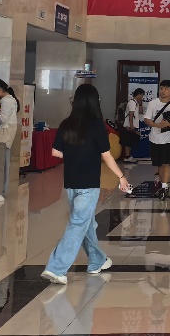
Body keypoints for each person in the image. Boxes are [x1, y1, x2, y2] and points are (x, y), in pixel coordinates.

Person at [41, 84, 130, 285]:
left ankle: (97, 260)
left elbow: (56, 153)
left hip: (71, 183)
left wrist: (74, 153)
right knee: (78, 224)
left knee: (86, 223)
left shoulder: (66, 124)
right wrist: (121, 176)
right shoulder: (97, 125)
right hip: (89, 184)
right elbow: (106, 155)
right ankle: (56, 268)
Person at [143, 80, 170, 200]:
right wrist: (157, 125)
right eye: (161, 88)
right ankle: (162, 185)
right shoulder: (153, 103)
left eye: (166, 89)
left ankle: (165, 187)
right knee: (159, 164)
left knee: (166, 163)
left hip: (169, 139)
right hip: (155, 138)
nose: (163, 91)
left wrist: (168, 125)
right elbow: (146, 119)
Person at [118, 88, 144, 163]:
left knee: (131, 141)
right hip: (129, 126)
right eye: (142, 95)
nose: (142, 97)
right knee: (127, 141)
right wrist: (131, 125)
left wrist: (141, 104)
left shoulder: (136, 103)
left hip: (132, 125)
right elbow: (131, 114)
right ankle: (127, 156)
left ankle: (129, 156)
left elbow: (141, 112)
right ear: (139, 94)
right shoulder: (132, 102)